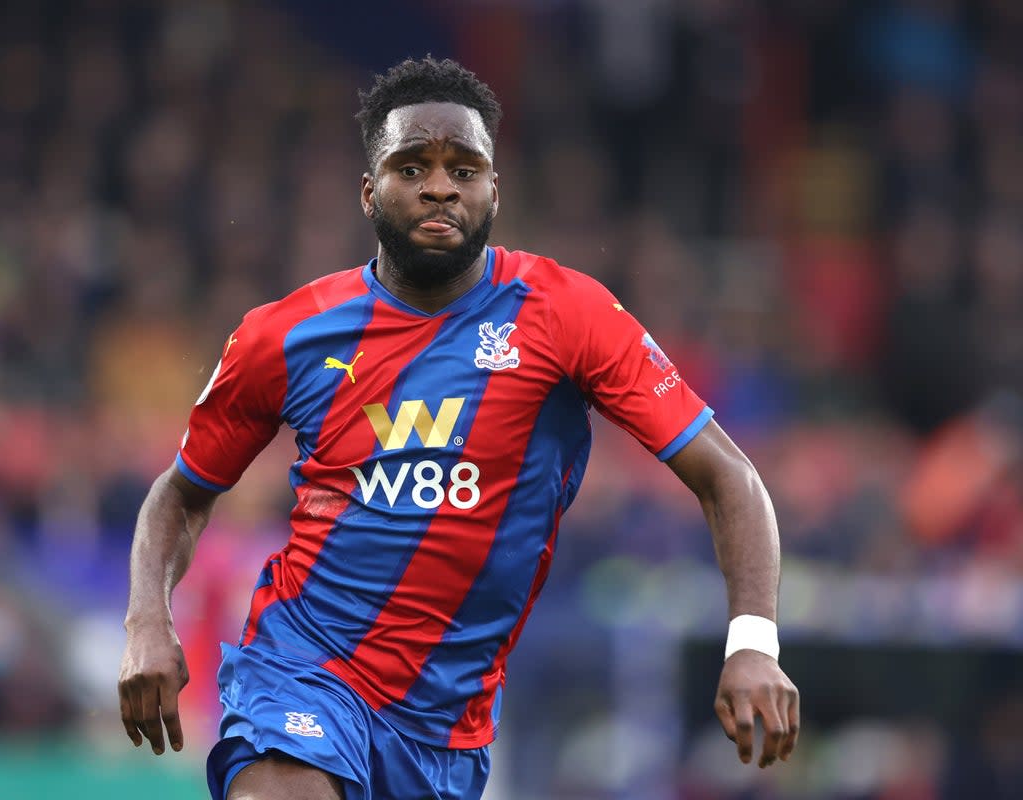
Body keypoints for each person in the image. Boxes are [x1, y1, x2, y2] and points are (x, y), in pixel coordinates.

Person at [118, 56, 799, 800]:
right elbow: (180, 495)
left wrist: (754, 643)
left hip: (447, 730)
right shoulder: (284, 335)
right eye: (412, 167)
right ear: (369, 190)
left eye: (463, 168)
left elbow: (729, 477)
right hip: (304, 669)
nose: (439, 185)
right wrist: (148, 619)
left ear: (493, 192)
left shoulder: (567, 315)